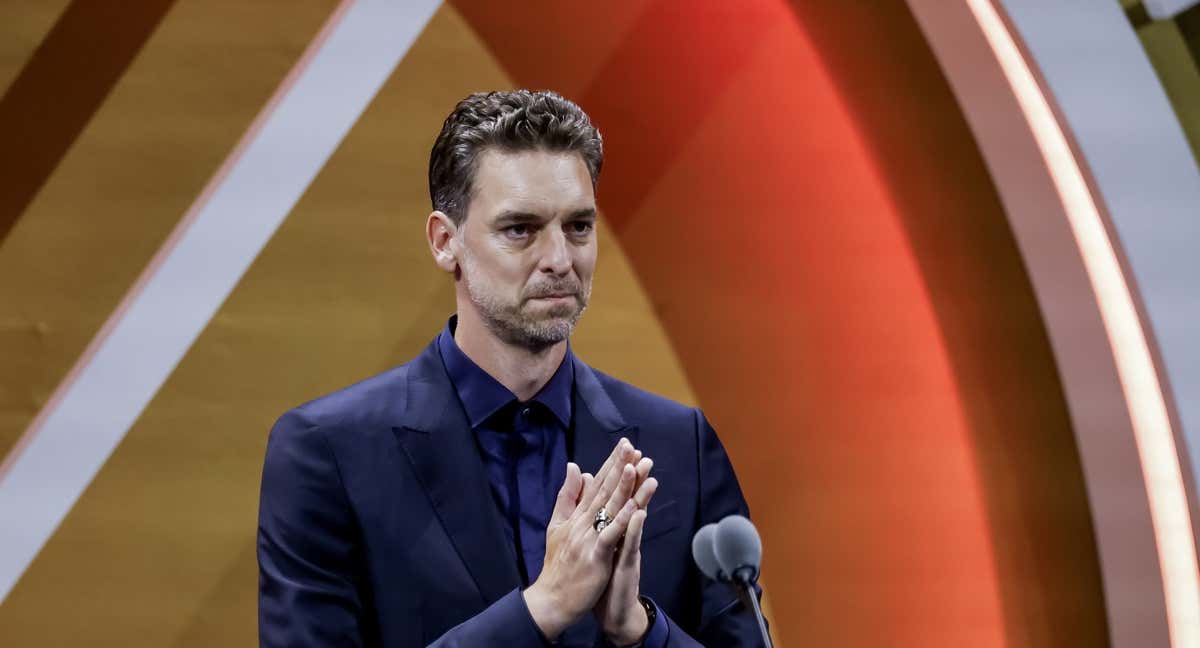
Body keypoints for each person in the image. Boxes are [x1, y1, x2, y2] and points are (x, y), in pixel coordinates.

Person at [257, 90, 766, 647]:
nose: (559, 259)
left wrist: (640, 631)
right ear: (445, 242)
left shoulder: (681, 446)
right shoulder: (328, 452)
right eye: (520, 229)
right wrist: (540, 610)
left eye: (578, 227)